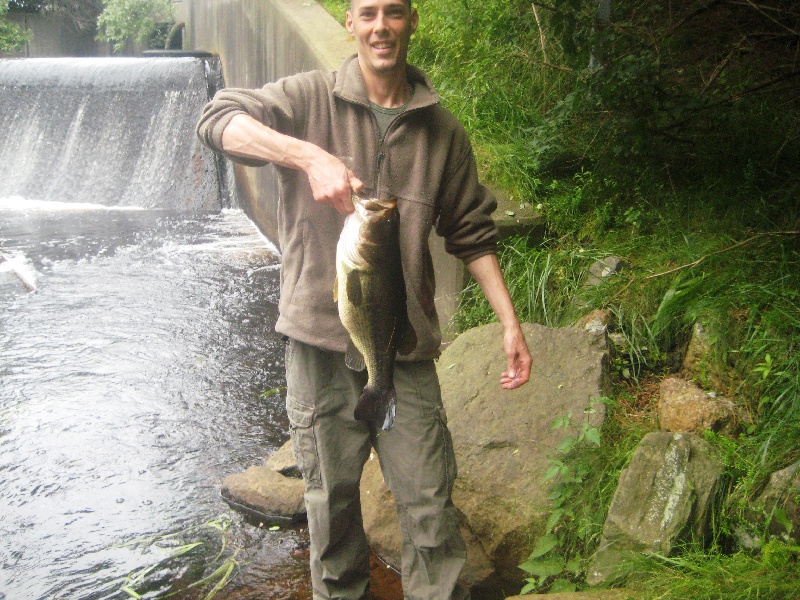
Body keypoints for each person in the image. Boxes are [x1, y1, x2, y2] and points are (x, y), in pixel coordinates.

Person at [196, 0, 532, 597]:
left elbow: (472, 235)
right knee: (331, 506)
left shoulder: (443, 133)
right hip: (318, 345)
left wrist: (509, 323)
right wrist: (307, 155)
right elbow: (218, 120)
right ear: (349, 22)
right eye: (368, 12)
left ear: (412, 22)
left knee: (430, 504)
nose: (382, 27)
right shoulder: (305, 98)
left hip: (403, 349)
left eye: (395, 13)